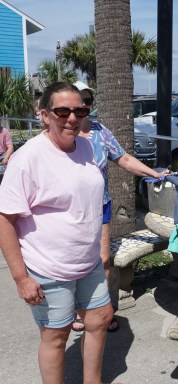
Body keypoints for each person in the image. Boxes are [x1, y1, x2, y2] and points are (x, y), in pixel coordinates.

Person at [0, 82, 114, 384]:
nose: (72, 118)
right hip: (48, 266)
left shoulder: (87, 146)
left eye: (80, 110)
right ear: (45, 115)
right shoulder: (28, 159)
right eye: (62, 111)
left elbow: (90, 199)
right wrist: (21, 278)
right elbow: (5, 220)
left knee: (100, 319)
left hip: (87, 262)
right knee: (56, 336)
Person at [72, 80, 170, 332]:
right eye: (77, 100)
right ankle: (80, 311)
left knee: (103, 261)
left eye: (87, 101)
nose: (82, 105)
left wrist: (154, 174)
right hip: (69, 210)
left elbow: (124, 159)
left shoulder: (101, 132)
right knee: (75, 261)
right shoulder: (60, 135)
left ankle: (103, 312)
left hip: (100, 206)